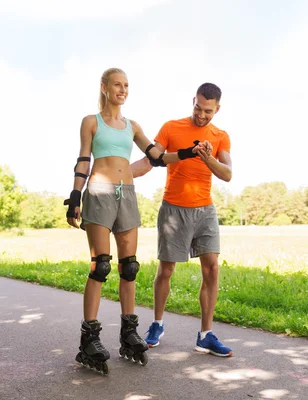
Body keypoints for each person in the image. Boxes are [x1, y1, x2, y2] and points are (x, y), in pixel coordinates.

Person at [65, 67, 209, 374]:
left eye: (126, 85)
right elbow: (83, 159)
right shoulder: (91, 122)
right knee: (100, 265)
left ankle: (128, 333)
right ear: (103, 87)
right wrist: (75, 195)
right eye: (117, 84)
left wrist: (186, 152)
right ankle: (89, 337)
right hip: (99, 191)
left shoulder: (132, 126)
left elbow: (157, 156)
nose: (123, 89)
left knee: (128, 267)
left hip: (127, 194)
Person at [131, 82, 233, 357]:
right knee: (166, 270)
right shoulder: (171, 127)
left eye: (208, 111)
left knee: (212, 269)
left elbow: (227, 173)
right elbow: (151, 160)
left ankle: (205, 335)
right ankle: (157, 324)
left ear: (217, 109)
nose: (202, 115)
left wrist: (207, 157)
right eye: (198, 108)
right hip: (173, 208)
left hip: (205, 210)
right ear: (194, 101)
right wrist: (119, 173)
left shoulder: (220, 136)